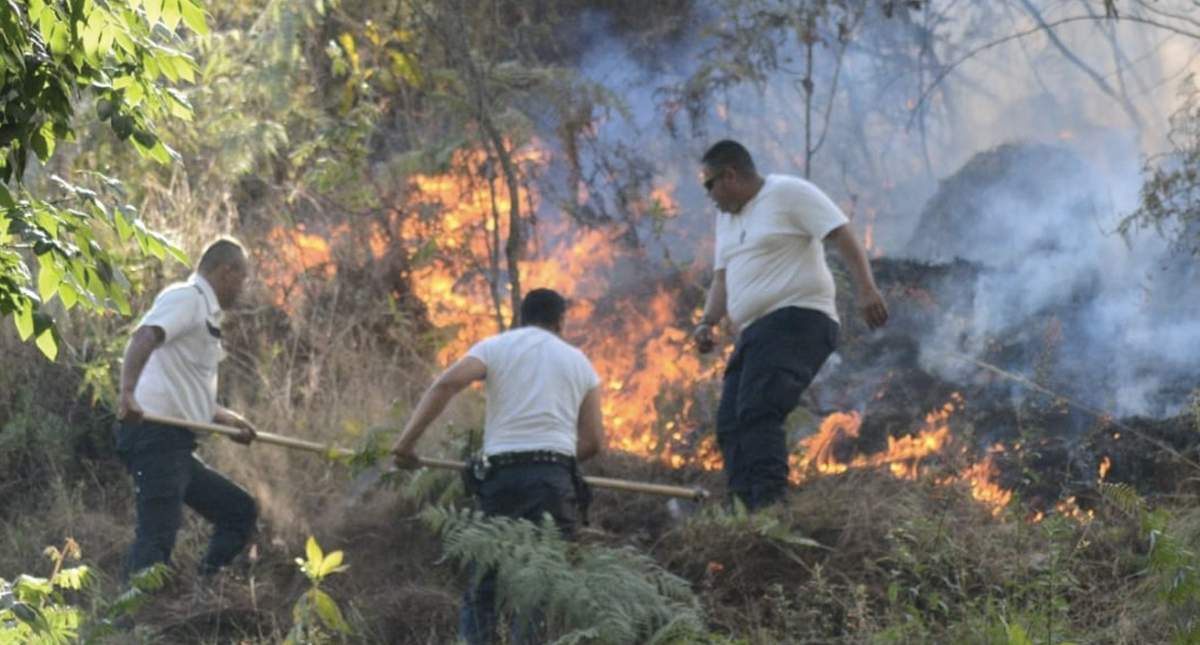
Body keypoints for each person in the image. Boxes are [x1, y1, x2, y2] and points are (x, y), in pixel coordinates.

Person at [392, 287, 605, 645]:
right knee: (539, 592)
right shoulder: (580, 362)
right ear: (561, 321)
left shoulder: (496, 347)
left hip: (502, 478)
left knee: (484, 588)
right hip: (553, 484)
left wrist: (405, 444)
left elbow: (448, 383)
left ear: (521, 316)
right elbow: (594, 441)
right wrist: (552, 459)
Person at [690, 140, 889, 511]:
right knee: (731, 421)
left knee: (758, 409)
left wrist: (867, 290)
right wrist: (706, 322)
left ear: (730, 175)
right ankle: (744, 510)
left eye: (709, 184)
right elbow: (722, 278)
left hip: (798, 317)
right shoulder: (727, 219)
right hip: (755, 330)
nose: (709, 196)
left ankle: (770, 506)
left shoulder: (788, 193)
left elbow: (841, 234)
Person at [115, 236, 259, 589]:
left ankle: (206, 590)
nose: (244, 288)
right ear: (226, 272)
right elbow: (144, 336)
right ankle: (124, 625)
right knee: (157, 538)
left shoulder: (206, 316)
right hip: (156, 437)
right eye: (243, 278)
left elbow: (189, 393)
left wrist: (230, 420)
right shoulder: (187, 298)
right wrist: (128, 394)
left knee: (238, 511)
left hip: (176, 445)